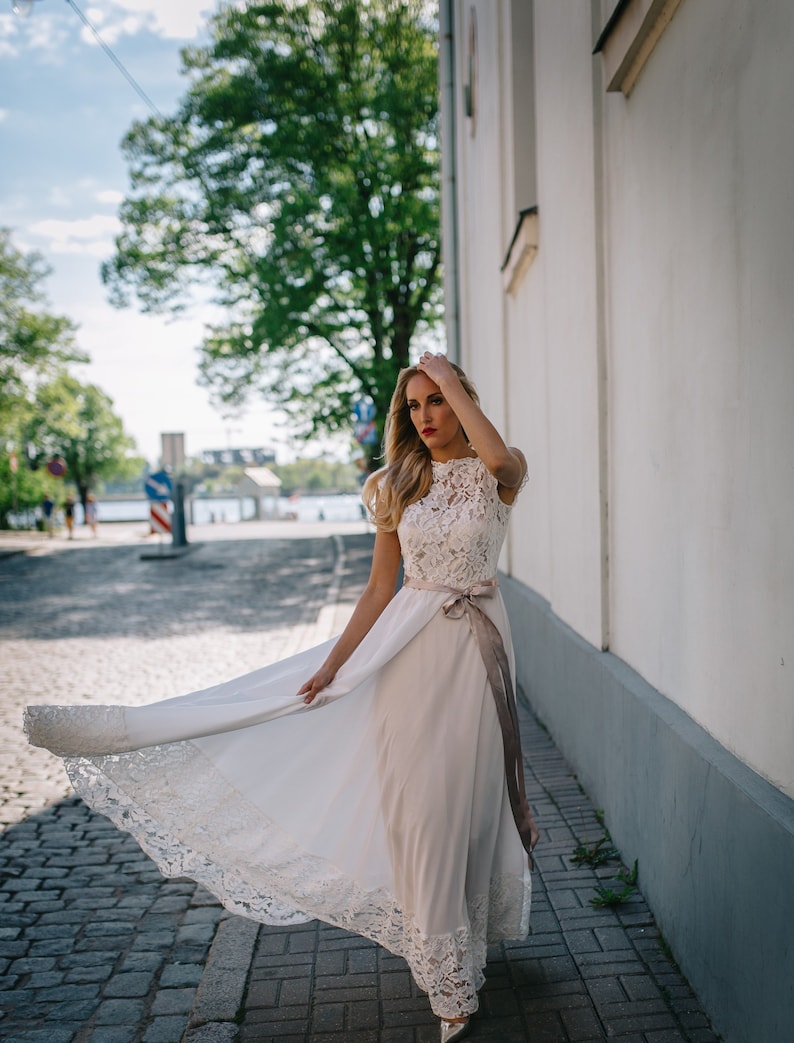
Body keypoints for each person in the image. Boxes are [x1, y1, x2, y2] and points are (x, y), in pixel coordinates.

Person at [24, 353, 538, 1042]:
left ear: (458, 399)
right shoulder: (396, 486)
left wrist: (448, 377)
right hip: (407, 662)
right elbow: (380, 588)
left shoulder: (496, 473)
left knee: (466, 808)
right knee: (418, 814)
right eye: (414, 404)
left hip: (474, 661)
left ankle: (464, 946)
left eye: (436, 400)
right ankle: (447, 983)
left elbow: (500, 457)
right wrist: (332, 666)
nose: (425, 414)